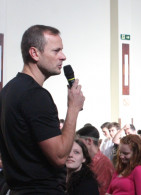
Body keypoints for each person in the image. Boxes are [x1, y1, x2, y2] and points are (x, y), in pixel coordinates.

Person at [0, 25, 85, 194]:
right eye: (56, 51)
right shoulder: (35, 95)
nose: (63, 56)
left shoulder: (8, 90)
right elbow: (60, 156)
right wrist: (73, 108)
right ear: (34, 53)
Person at [76, 125, 114, 195]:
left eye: (79, 142)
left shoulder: (104, 164)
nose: (77, 145)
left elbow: (101, 191)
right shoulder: (87, 161)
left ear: (89, 141)